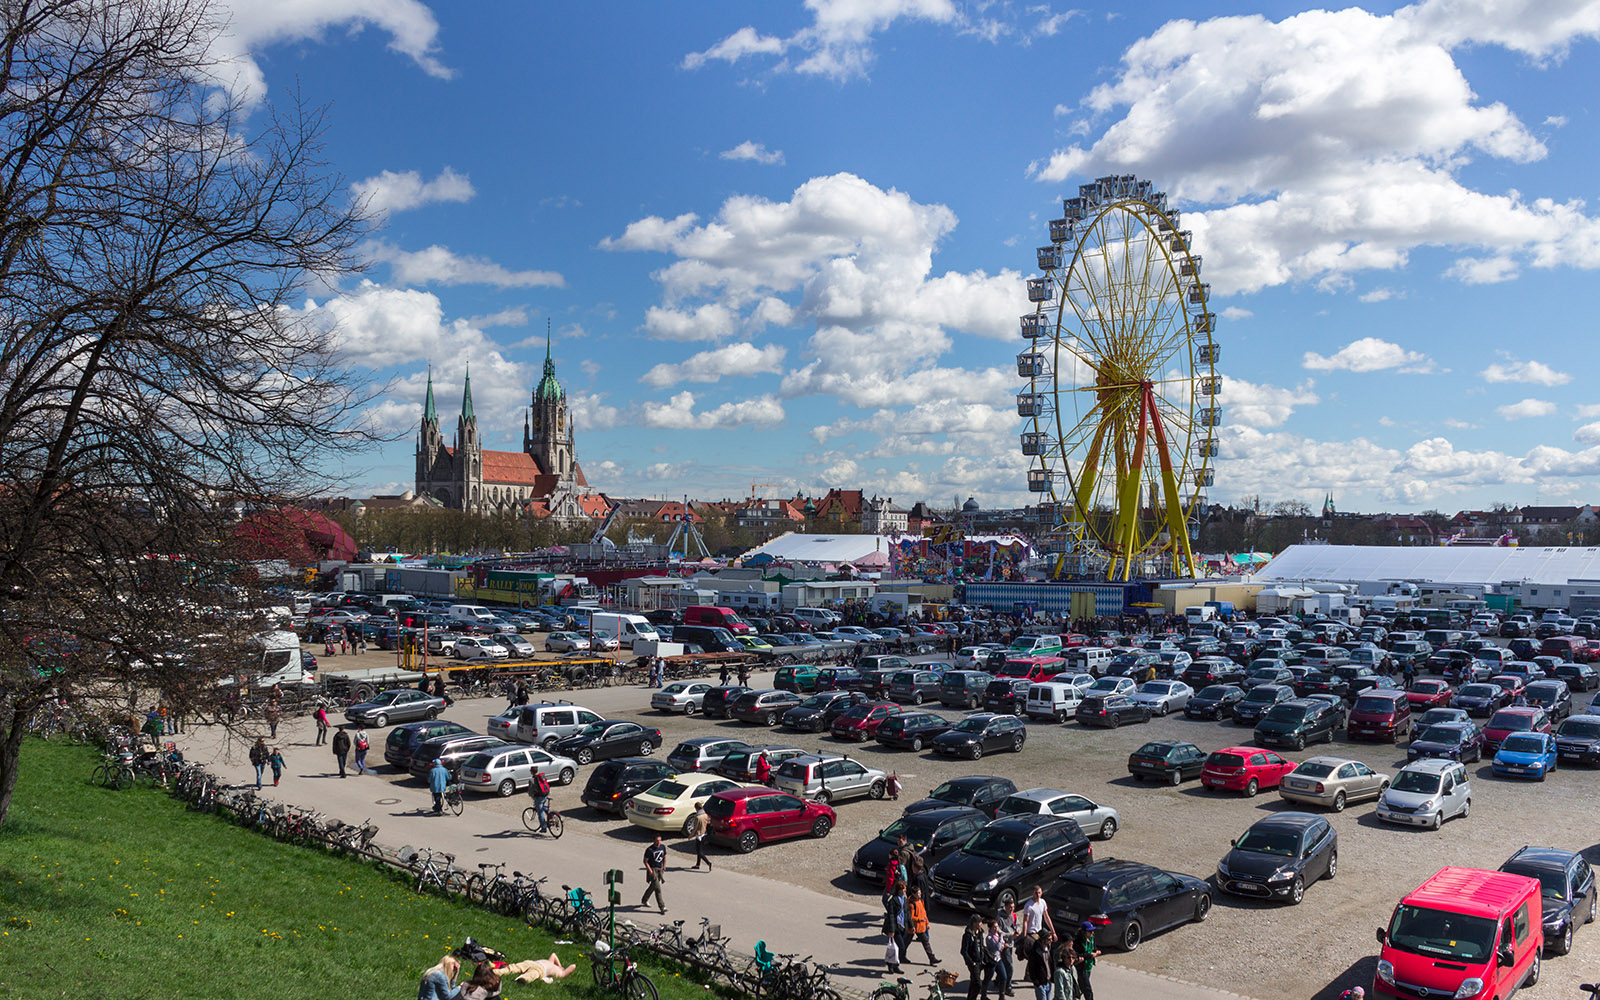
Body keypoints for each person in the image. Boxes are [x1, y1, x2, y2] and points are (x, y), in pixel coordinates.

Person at [907, 884, 939, 964]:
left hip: (921, 927)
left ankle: (932, 958)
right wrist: (920, 920)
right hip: (913, 927)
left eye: (920, 893)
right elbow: (911, 917)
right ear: (914, 894)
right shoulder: (911, 904)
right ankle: (901, 955)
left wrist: (927, 923)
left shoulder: (921, 901)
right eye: (918, 893)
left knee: (926, 943)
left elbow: (924, 913)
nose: (920, 894)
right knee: (906, 942)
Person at [1019, 885, 1055, 951]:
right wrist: (1024, 936)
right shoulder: (1028, 906)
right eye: (1036, 893)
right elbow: (1025, 921)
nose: (1038, 895)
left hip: (1040, 932)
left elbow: (1046, 917)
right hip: (1031, 933)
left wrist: (1053, 932)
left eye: (1039, 893)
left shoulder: (1043, 902)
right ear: (1032, 893)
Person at [1072, 920, 1101, 1000]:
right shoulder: (1078, 941)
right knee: (1088, 990)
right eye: (1090, 931)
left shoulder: (1091, 938)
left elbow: (1094, 948)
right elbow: (1077, 954)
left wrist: (1096, 951)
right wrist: (1090, 955)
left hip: (1088, 967)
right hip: (1081, 968)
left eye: (1093, 931)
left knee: (1081, 987)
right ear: (1084, 932)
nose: (1092, 933)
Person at [1024, 929, 1055, 1000]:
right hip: (1040, 983)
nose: (1051, 941)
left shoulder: (1049, 949)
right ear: (1043, 939)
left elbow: (1051, 964)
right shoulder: (1035, 951)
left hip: (1048, 981)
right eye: (1049, 939)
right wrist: (1036, 982)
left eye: (1051, 939)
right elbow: (1032, 967)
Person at [885, 883, 909, 974]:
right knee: (901, 947)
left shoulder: (905, 900)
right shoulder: (893, 901)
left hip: (903, 926)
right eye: (903, 889)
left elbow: (907, 914)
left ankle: (895, 965)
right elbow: (891, 916)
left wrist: (911, 926)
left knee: (898, 948)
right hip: (896, 927)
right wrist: (891, 930)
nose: (905, 890)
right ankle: (890, 964)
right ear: (899, 890)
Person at [961, 915, 986, 1000]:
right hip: (973, 963)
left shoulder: (980, 933)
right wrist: (972, 962)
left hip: (980, 962)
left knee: (973, 982)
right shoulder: (967, 935)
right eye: (980, 922)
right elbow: (963, 951)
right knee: (978, 984)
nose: (981, 924)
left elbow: (982, 946)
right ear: (974, 923)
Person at [981, 917, 1007, 1000]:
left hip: (998, 959)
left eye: (997, 927)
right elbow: (998, 947)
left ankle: (1001, 996)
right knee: (988, 978)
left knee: (1003, 977)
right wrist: (1001, 937)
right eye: (994, 927)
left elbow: (1004, 941)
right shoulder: (989, 938)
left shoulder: (997, 935)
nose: (996, 929)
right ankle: (983, 996)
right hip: (991, 960)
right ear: (990, 928)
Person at [641, 834, 667, 914]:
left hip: (660, 870)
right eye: (657, 840)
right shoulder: (649, 850)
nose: (658, 842)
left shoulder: (662, 847)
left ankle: (644, 900)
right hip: (653, 870)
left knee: (653, 886)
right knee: (657, 888)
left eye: (660, 840)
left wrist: (664, 867)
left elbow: (664, 857)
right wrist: (650, 872)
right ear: (653, 841)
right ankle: (662, 906)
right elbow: (645, 861)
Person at [687, 801, 711, 870]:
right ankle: (698, 864)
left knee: (699, 852)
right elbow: (708, 822)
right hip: (704, 834)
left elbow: (695, 828)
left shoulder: (697, 817)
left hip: (699, 835)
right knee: (699, 850)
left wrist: (690, 835)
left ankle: (708, 863)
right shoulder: (705, 815)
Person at [528, 769, 551, 833]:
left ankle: (544, 828)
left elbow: (530, 791)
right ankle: (551, 815)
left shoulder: (532, 780)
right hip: (545, 794)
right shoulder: (542, 777)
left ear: (531, 772)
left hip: (539, 797)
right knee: (543, 805)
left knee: (540, 812)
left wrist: (531, 795)